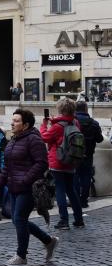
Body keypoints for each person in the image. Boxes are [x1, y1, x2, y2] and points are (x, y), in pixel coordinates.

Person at [0, 109, 58, 266]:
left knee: (20, 219)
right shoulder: (14, 140)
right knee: (17, 220)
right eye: (12, 120)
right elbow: (7, 167)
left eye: (16, 121)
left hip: (28, 188)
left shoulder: (34, 140)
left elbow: (42, 163)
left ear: (26, 124)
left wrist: (25, 180)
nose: (12, 123)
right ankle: (48, 241)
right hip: (14, 186)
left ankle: (21, 256)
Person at [40, 97, 84, 230]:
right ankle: (79, 219)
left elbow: (44, 137)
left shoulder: (57, 126)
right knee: (71, 190)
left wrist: (44, 125)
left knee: (60, 189)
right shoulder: (75, 123)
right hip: (71, 161)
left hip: (58, 161)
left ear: (60, 110)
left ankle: (64, 221)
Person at [74, 100, 104, 208]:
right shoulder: (94, 123)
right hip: (88, 154)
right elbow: (100, 139)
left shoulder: (72, 122)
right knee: (86, 176)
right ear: (86, 109)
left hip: (74, 155)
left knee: (75, 177)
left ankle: (75, 200)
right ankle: (84, 200)